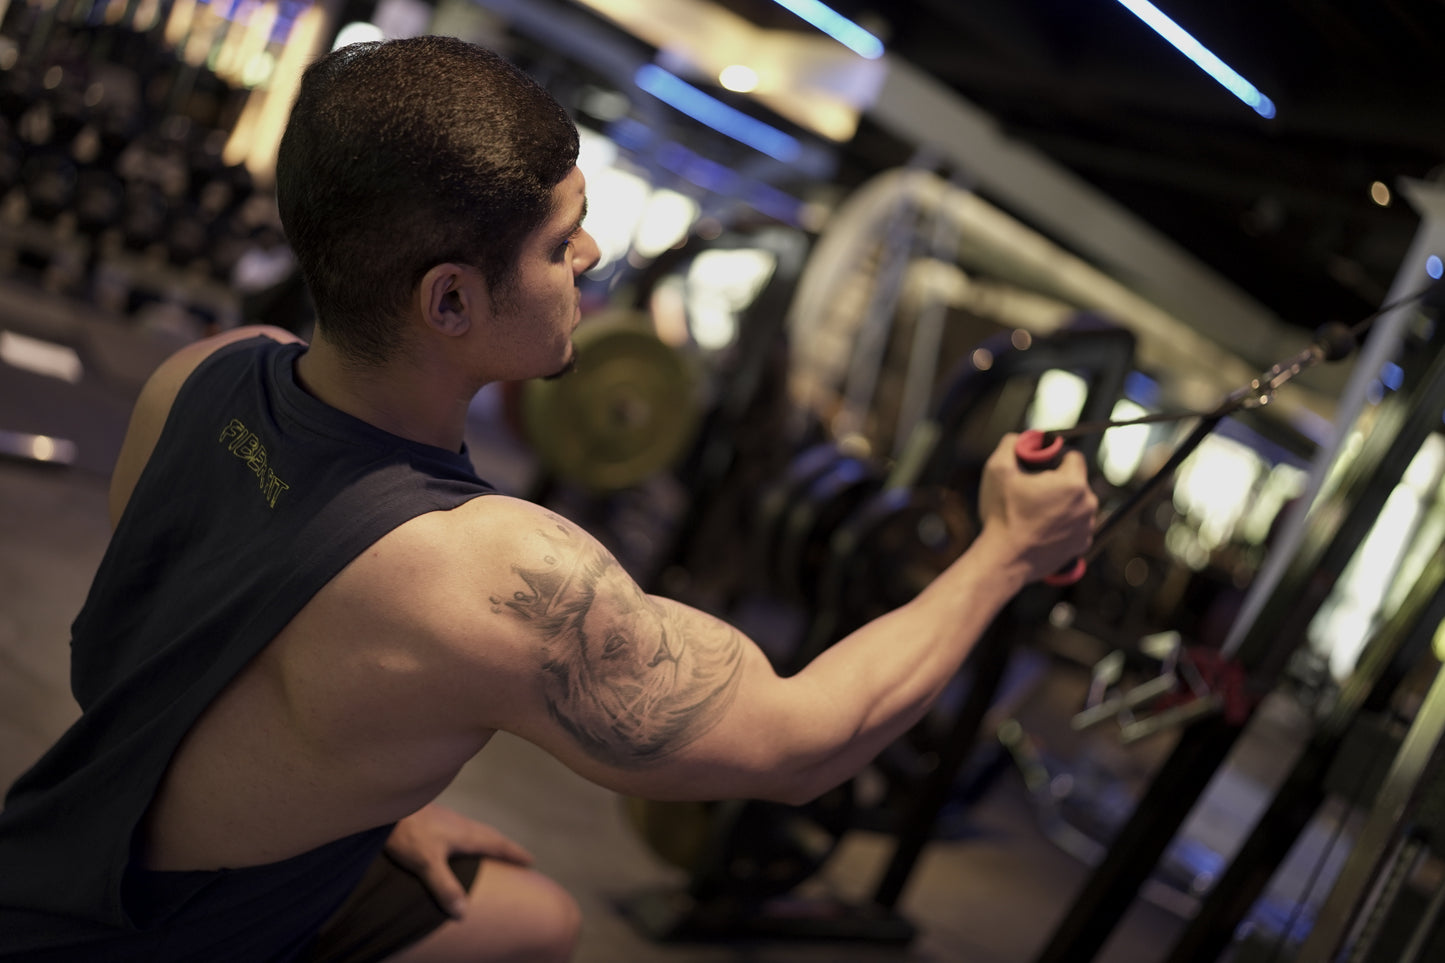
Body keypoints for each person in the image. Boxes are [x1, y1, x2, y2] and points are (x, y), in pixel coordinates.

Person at [0, 35, 1097, 963]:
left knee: (534, 920)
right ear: (449, 299)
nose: (592, 250)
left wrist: (351, 794)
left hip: (62, 837)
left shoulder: (210, 370)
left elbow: (169, 654)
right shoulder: (494, 581)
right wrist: (1003, 551)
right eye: (555, 238)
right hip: (150, 936)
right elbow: (804, 745)